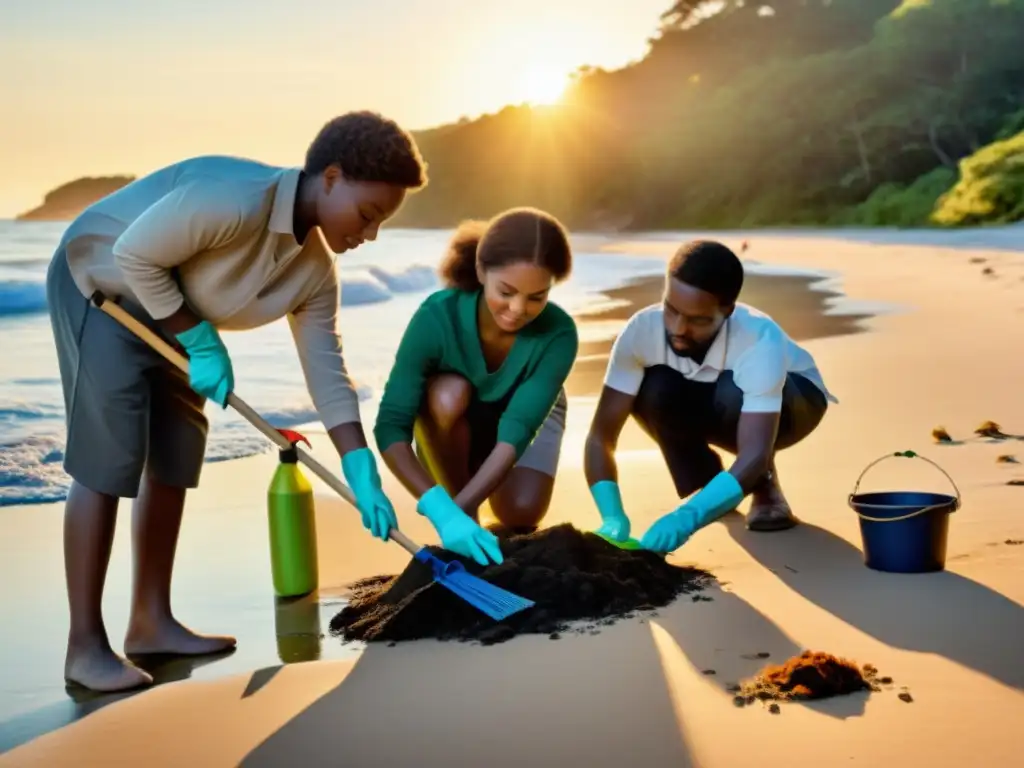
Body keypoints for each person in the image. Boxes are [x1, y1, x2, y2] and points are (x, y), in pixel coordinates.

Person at [46, 111, 427, 692]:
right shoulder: (234, 197)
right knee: (110, 454)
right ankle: (84, 647)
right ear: (330, 177)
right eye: (368, 213)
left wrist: (361, 468)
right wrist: (200, 340)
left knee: (175, 450)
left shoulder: (315, 272)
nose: (368, 233)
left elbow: (329, 373)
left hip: (172, 310)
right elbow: (134, 253)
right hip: (100, 285)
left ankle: (150, 622)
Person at [583, 239, 836, 554]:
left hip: (796, 402)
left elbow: (754, 454)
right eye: (671, 310)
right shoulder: (641, 331)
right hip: (712, 392)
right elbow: (600, 436)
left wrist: (686, 518)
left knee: (735, 393)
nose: (678, 328)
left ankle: (764, 487)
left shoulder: (758, 339)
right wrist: (611, 516)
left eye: (697, 320)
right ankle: (712, 483)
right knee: (651, 388)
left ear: (727, 311)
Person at [373, 208, 579, 566]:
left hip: (526, 415)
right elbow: (391, 424)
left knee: (521, 515)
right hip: (453, 414)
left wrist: (459, 509)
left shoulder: (559, 333)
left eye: (536, 297)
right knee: (446, 394)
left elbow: (518, 430)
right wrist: (444, 513)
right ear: (482, 272)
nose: (517, 309)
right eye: (506, 291)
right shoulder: (437, 317)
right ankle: (464, 508)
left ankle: (466, 503)